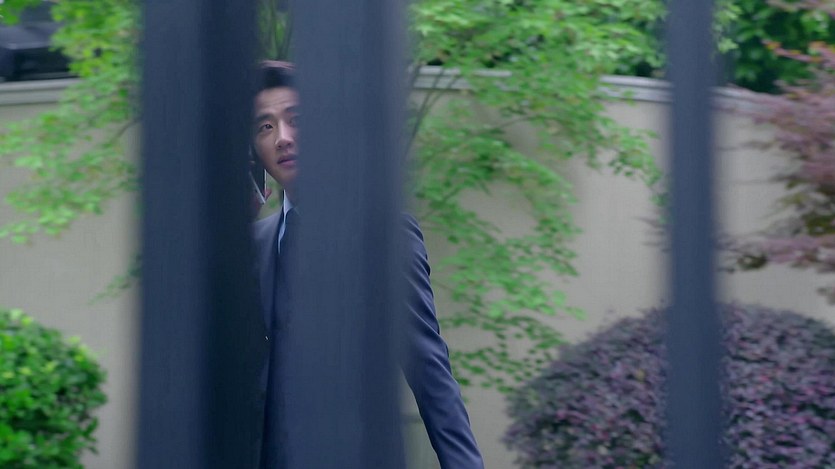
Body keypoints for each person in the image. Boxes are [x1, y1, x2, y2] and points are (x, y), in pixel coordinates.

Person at [250, 61, 484, 469]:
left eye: (296, 120)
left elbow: (429, 370)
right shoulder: (254, 243)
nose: (283, 138)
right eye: (265, 127)